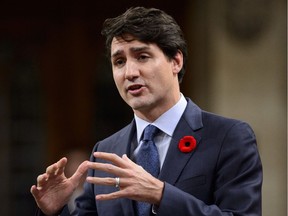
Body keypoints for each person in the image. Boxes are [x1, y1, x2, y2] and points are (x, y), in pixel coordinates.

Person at [30, 6, 262, 216]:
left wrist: (161, 194)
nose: (129, 72)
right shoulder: (106, 150)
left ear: (176, 61)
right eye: (119, 61)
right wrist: (54, 211)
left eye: (142, 57)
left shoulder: (229, 136)